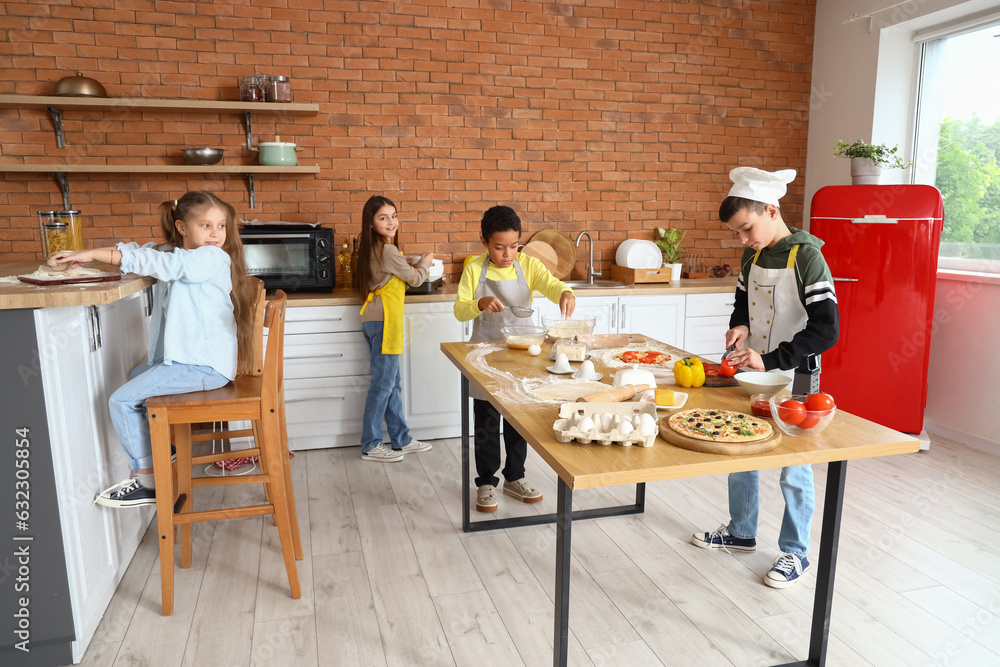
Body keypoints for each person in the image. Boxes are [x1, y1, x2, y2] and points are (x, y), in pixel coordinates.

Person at [49, 191, 258, 508]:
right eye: (206, 225)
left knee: (120, 400)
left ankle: (147, 482)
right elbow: (146, 252)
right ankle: (161, 448)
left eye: (221, 226)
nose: (216, 234)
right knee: (138, 375)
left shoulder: (212, 257)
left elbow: (161, 262)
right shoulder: (180, 255)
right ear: (182, 227)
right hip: (199, 363)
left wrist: (91, 254)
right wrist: (90, 253)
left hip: (202, 366)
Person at [691, 167, 839, 588]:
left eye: (746, 228)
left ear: (771, 210)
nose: (742, 239)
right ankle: (741, 532)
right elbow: (743, 300)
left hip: (797, 378)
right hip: (756, 373)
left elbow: (827, 329)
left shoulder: (807, 256)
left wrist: (773, 357)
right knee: (743, 448)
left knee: (794, 466)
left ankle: (796, 553)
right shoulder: (752, 255)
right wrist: (739, 325)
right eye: (737, 232)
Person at [454, 205, 576, 512]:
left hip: (522, 356)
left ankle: (515, 477)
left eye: (513, 246)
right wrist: (479, 302)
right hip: (485, 357)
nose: (507, 254)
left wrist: (565, 292)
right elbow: (459, 310)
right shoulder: (473, 269)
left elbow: (551, 284)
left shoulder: (529, 266)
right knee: (486, 420)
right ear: (484, 241)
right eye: (499, 247)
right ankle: (485, 482)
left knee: (518, 420)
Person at [355, 195, 435, 462]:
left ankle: (401, 438)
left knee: (392, 384)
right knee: (382, 385)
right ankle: (371, 445)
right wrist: (425, 262)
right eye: (383, 217)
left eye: (393, 215)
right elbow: (414, 279)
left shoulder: (373, 249)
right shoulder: (387, 250)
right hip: (384, 322)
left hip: (373, 319)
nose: (391, 222)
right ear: (370, 223)